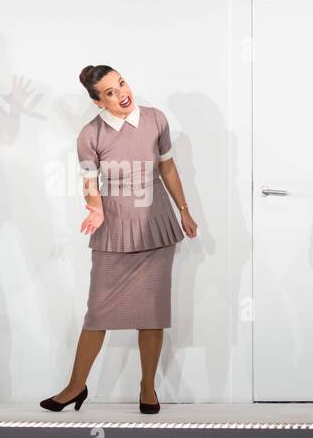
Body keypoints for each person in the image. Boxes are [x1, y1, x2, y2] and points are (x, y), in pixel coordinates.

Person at [41, 66, 198, 414]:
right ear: (98, 101)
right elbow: (89, 181)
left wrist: (184, 210)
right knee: (97, 314)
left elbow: (167, 168)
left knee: (152, 312)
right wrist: (95, 209)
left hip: (156, 226)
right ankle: (75, 386)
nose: (122, 93)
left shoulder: (156, 119)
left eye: (122, 83)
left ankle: (148, 387)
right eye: (110, 92)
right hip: (113, 231)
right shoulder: (90, 134)